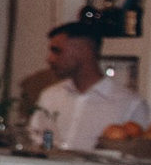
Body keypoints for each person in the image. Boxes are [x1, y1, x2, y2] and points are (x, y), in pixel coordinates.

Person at [27, 21, 148, 152]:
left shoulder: (130, 104)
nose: (50, 59)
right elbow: (34, 142)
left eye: (57, 51)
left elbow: (138, 157)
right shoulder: (50, 96)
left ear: (84, 50)